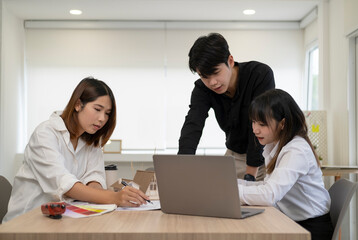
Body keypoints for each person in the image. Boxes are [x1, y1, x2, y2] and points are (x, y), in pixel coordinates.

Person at [4, 77, 149, 222]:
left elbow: (94, 177)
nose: (102, 119)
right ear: (78, 104)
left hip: (63, 219)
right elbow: (66, 186)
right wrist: (114, 197)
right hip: (25, 223)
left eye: (107, 113)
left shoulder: (91, 140)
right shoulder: (45, 134)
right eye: (97, 109)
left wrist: (110, 196)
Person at [238, 89, 333, 240]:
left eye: (262, 124)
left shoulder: (296, 150)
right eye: (253, 121)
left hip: (310, 229)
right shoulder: (276, 145)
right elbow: (267, 185)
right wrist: (234, 185)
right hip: (293, 221)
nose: (255, 129)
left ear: (283, 123)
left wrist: (234, 192)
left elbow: (270, 194)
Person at [178, 33, 275, 181]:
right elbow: (193, 124)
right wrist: (182, 167)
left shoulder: (259, 75)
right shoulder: (202, 89)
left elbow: (259, 124)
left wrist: (250, 175)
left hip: (266, 153)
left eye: (216, 73)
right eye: (204, 76)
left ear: (230, 61)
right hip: (235, 155)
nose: (212, 82)